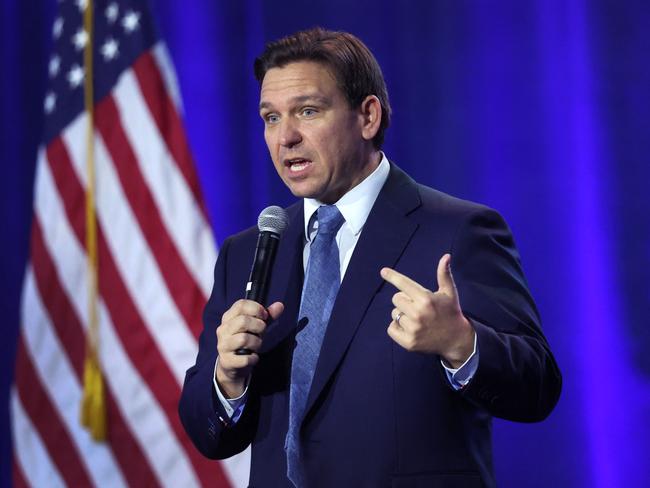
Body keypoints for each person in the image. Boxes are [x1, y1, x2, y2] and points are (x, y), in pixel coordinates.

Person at [179, 28, 562, 488]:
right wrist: (227, 380)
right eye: (270, 118)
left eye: (307, 111)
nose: (286, 138)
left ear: (367, 116)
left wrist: (461, 342)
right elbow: (208, 433)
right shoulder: (248, 251)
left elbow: (537, 387)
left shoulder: (456, 231)